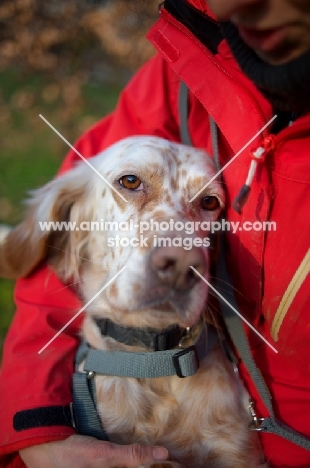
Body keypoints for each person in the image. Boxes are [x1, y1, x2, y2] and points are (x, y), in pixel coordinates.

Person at [0, 0, 310, 466]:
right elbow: (39, 264)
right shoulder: (186, 69)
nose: (181, 249)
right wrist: (35, 428)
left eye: (208, 203)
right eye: (131, 185)